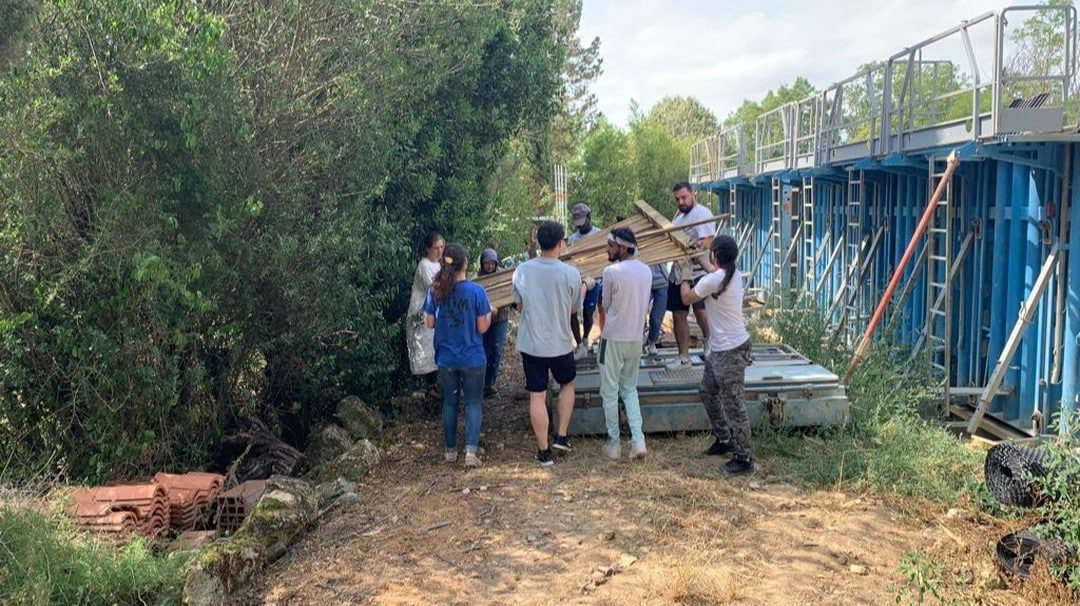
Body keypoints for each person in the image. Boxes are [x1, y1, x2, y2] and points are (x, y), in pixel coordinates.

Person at [512, 220, 587, 466]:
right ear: (560, 243)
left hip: (532, 343)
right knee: (567, 384)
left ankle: (544, 452)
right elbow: (574, 309)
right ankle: (562, 436)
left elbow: (519, 306)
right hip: (560, 342)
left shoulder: (521, 271)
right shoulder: (570, 273)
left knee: (537, 394)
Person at [678, 235, 754, 475]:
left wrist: (685, 273)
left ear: (716, 255)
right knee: (708, 392)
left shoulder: (714, 280)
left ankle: (744, 459)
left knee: (735, 406)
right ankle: (724, 439)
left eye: (711, 252)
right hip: (723, 349)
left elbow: (686, 298)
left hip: (730, 351)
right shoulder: (732, 274)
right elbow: (712, 270)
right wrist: (697, 256)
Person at [424, 243, 494, 468]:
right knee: (474, 402)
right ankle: (471, 452)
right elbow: (482, 328)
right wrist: (491, 313)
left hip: (446, 357)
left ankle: (450, 451)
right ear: (466, 263)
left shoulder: (435, 290)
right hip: (472, 357)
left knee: (450, 402)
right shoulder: (477, 292)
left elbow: (429, 322)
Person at [596, 227, 653, 460]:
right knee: (630, 389)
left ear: (622, 247)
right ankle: (638, 441)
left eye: (610, 245)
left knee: (609, 392)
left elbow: (606, 305)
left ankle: (614, 444)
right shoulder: (646, 271)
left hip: (613, 338)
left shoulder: (611, 272)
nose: (607, 249)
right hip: (635, 338)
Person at [666, 183, 716, 369]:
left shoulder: (702, 213)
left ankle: (709, 343)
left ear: (692, 194)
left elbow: (708, 240)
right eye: (677, 199)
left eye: (684, 197)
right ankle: (684, 358)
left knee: (702, 311)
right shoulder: (678, 218)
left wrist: (695, 250)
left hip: (699, 272)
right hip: (679, 273)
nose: (681, 201)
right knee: (679, 315)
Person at [407, 232, 445, 398]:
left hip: (434, 313)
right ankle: (424, 387)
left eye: (441, 247)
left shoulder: (440, 264)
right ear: (429, 249)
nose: (439, 251)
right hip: (422, 314)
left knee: (433, 349)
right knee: (423, 349)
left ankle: (433, 385)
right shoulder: (424, 265)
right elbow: (434, 287)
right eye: (436, 248)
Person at [567, 203, 603, 360]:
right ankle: (579, 344)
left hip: (594, 279)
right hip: (576, 279)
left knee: (589, 312)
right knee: (572, 312)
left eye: (583, 221)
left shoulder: (599, 235)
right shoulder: (573, 239)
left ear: (589, 218)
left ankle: (586, 338)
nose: (581, 226)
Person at [478, 248, 510, 397]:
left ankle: (490, 384)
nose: (490, 267)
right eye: (487, 264)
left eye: (493, 263)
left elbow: (509, 292)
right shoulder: (477, 279)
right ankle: (480, 383)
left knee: (496, 350)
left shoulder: (503, 275)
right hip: (482, 318)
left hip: (500, 318)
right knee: (482, 350)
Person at [644, 263, 669, 355]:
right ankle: (638, 343)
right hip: (643, 280)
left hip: (662, 281)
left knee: (656, 317)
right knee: (639, 315)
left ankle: (652, 342)